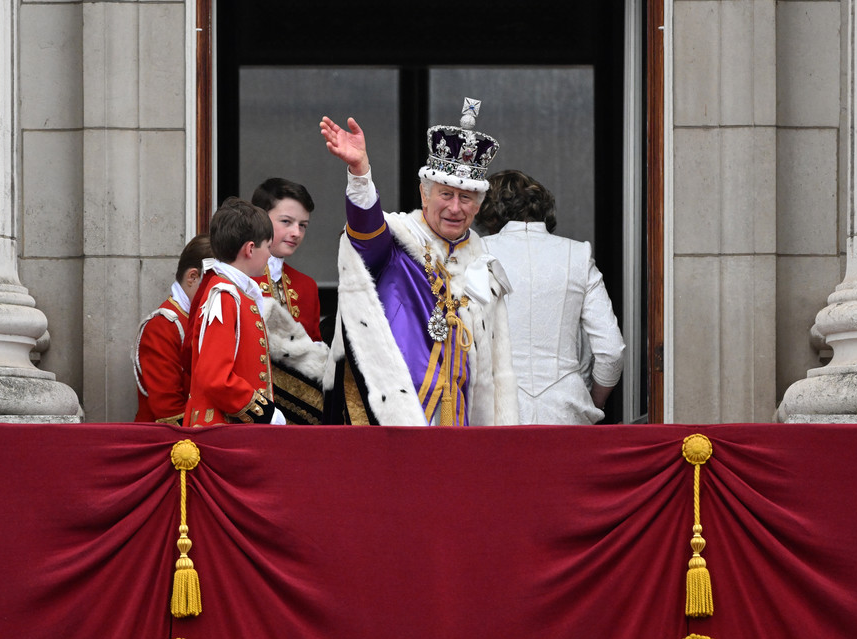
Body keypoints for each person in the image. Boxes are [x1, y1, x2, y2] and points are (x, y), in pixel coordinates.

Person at [319, 97, 518, 426]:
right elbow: (365, 233)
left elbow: (496, 369)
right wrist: (359, 174)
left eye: (465, 197)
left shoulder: (486, 267)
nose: (455, 208)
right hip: (394, 420)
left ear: (478, 205)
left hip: (460, 422)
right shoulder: (397, 242)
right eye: (445, 194)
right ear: (424, 194)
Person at [479, 169, 625, 424]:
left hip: (496, 412)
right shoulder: (578, 255)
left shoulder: (477, 253)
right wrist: (593, 402)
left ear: (489, 212)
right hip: (566, 412)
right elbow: (611, 352)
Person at [183, 197, 285, 427]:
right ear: (250, 249)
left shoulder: (233, 293)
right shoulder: (224, 296)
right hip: (222, 431)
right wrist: (264, 412)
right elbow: (215, 378)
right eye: (267, 247)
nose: (270, 255)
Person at [133, 234, 212, 424]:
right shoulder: (161, 326)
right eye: (215, 284)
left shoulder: (205, 318)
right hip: (167, 445)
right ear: (193, 277)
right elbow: (168, 410)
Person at [251, 177, 323, 342]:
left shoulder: (307, 286)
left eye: (303, 225)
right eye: (286, 221)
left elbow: (316, 355)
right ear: (260, 219)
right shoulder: (234, 276)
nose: (297, 233)